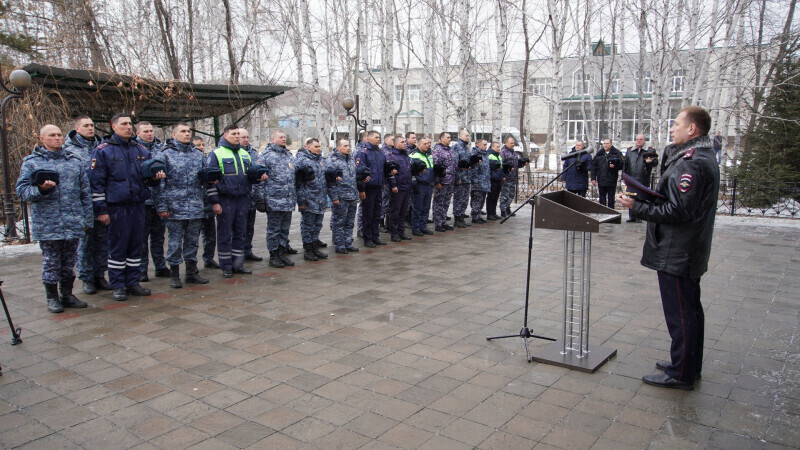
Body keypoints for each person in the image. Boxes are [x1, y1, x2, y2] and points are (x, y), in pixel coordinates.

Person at [616, 106, 719, 391]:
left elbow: (678, 210)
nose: (671, 129)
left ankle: (681, 373)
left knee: (681, 314)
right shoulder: (697, 156)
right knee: (690, 310)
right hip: (686, 248)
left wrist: (637, 206)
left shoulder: (692, 162)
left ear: (692, 129)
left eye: (676, 124)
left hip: (678, 250)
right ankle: (687, 364)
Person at [16, 125, 93, 313]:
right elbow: (22, 191)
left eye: (59, 135)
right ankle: (52, 297)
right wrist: (40, 190)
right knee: (51, 262)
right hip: (48, 222)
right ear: (42, 139)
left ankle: (67, 294)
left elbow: (85, 192)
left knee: (69, 261)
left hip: (72, 220)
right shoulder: (32, 162)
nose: (57, 138)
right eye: (52, 135)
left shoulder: (74, 161)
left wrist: (87, 220)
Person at [90, 113, 164, 301]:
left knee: (135, 245)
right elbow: (96, 183)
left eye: (130, 124)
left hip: (138, 205)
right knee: (117, 247)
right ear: (113, 127)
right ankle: (118, 285)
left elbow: (147, 180)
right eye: (123, 124)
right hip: (116, 206)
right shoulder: (103, 151)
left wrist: (155, 180)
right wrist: (101, 210)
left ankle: (132, 282)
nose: (128, 127)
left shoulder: (140, 150)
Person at [151, 123, 209, 288]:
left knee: (192, 242)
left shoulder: (198, 155)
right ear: (174, 135)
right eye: (183, 131)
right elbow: (159, 185)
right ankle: (174, 274)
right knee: (175, 243)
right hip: (175, 207)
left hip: (195, 206)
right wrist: (162, 207)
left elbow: (205, 180)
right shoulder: (165, 155)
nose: (187, 134)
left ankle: (191, 273)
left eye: (188, 131)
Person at [206, 125, 265, 277]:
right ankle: (226, 266)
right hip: (226, 199)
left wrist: (259, 177)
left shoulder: (245, 154)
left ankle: (238, 264)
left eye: (238, 134)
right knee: (225, 233)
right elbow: (210, 180)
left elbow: (250, 176)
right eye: (234, 134)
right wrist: (215, 201)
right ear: (225, 136)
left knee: (241, 232)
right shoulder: (216, 154)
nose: (237, 136)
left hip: (243, 199)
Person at [62, 115, 110, 295]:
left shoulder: (102, 147)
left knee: (102, 242)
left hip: (102, 202)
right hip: (81, 204)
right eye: (86, 126)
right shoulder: (68, 149)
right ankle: (86, 277)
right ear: (76, 128)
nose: (90, 128)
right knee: (85, 243)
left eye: (92, 125)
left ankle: (99, 275)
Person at [257, 130, 297, 268]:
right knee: (274, 230)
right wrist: (261, 199)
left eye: (285, 137)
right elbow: (260, 180)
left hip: (288, 200)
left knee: (284, 229)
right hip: (274, 200)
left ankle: (282, 253)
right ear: (273, 139)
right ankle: (274, 255)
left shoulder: (289, 155)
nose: (283, 139)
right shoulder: (266, 156)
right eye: (280, 137)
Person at [135, 122, 168, 282]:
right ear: (137, 133)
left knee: (159, 237)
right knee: (142, 239)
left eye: (151, 131)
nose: (149, 134)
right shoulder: (135, 149)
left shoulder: (160, 149)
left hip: (159, 199)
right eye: (146, 131)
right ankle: (142, 270)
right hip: (143, 201)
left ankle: (160, 266)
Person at [295, 138, 329, 261]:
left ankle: (315, 248)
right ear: (308, 147)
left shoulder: (321, 160)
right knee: (308, 226)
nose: (318, 149)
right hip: (309, 199)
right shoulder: (302, 161)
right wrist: (301, 201)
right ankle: (308, 250)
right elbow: (299, 184)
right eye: (315, 146)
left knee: (317, 225)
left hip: (320, 199)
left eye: (319, 146)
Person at [356, 130, 390, 248]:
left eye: (379, 137)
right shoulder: (363, 153)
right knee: (368, 214)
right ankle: (368, 238)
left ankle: (375, 236)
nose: (378, 139)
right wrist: (362, 189)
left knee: (377, 213)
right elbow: (360, 172)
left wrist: (384, 180)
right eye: (376, 137)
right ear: (369, 139)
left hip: (379, 187)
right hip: (369, 188)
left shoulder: (380, 152)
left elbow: (383, 169)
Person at [326, 138, 360, 254]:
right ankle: (339, 245)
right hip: (341, 197)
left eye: (349, 146)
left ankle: (348, 242)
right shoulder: (332, 161)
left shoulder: (350, 159)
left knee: (350, 222)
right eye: (345, 146)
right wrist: (334, 197)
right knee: (339, 222)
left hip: (352, 196)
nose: (348, 148)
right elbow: (330, 182)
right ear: (339, 148)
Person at [193, 136, 219, 269]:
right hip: (194, 206)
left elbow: (211, 185)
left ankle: (209, 259)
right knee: (193, 237)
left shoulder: (205, 160)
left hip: (207, 203)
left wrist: (214, 201)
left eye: (203, 145)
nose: (201, 147)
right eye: (198, 145)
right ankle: (192, 264)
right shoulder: (192, 159)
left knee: (210, 235)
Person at [239, 129, 263, 262]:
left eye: (247, 137)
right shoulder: (234, 153)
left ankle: (248, 250)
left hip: (251, 197)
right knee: (237, 228)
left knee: (249, 227)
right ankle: (238, 253)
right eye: (243, 137)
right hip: (239, 198)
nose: (246, 139)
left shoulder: (253, 153)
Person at [623, 134, 659, 222]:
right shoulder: (630, 151)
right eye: (637, 139)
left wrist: (650, 162)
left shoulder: (650, 150)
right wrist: (623, 177)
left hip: (643, 178)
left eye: (641, 139)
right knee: (631, 197)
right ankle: (632, 217)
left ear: (644, 140)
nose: (639, 141)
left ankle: (640, 217)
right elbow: (625, 165)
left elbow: (655, 163)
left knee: (641, 198)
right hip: (631, 178)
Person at [386, 134, 412, 242]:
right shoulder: (391, 156)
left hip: (406, 186)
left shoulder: (405, 155)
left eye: (404, 142)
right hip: (398, 188)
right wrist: (393, 185)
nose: (404, 143)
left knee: (403, 212)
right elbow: (391, 172)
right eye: (402, 142)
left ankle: (401, 232)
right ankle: (394, 233)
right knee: (395, 211)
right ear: (396, 144)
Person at [409, 136, 434, 236]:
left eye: (428, 143)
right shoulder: (414, 155)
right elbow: (410, 172)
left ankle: (423, 226)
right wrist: (414, 184)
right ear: (419, 145)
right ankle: (416, 228)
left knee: (426, 207)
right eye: (425, 144)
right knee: (417, 208)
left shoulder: (429, 154)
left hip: (428, 184)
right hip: (419, 185)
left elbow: (432, 169)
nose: (427, 145)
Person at [432, 132, 456, 232]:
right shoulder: (437, 150)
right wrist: (437, 182)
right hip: (442, 181)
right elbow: (436, 167)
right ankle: (438, 223)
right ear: (442, 138)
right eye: (448, 137)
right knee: (439, 203)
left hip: (450, 180)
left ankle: (443, 222)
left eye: (450, 137)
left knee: (446, 203)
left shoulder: (450, 150)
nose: (450, 139)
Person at [591, 138, 624, 208]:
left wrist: (615, 166)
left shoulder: (616, 153)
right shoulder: (599, 154)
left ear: (611, 144)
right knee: (602, 198)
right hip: (601, 179)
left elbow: (622, 164)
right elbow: (594, 167)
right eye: (604, 143)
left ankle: (611, 212)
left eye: (607, 143)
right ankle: (603, 212)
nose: (605, 145)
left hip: (612, 179)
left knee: (611, 198)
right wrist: (593, 178)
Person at [451, 129, 472, 228]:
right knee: (458, 199)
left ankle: (462, 217)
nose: (467, 137)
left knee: (465, 199)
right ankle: (457, 218)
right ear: (460, 136)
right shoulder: (456, 147)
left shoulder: (467, 148)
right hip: (460, 178)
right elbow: (455, 164)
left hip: (467, 178)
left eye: (468, 136)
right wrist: (457, 178)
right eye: (466, 135)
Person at [499, 136, 520, 218]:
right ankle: (503, 210)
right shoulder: (503, 152)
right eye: (511, 143)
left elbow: (515, 165)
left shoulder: (514, 153)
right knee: (505, 195)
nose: (513, 144)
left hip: (513, 177)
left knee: (511, 195)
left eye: (513, 143)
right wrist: (503, 175)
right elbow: (501, 165)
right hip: (506, 178)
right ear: (506, 143)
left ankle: (508, 207)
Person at [469, 139, 489, 224]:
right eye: (484, 145)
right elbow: (474, 170)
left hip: (484, 181)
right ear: (478, 145)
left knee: (481, 199)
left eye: (486, 144)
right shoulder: (476, 154)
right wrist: (475, 182)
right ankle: (475, 216)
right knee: (477, 199)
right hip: (478, 182)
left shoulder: (485, 154)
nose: (486, 146)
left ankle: (478, 215)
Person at [379, 133, 395, 234]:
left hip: (393, 181)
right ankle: (381, 223)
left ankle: (389, 223)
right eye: (392, 139)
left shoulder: (394, 151)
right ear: (386, 140)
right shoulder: (383, 152)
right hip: (385, 182)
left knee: (391, 204)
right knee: (383, 203)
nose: (394, 141)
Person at [486, 141, 505, 220]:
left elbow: (501, 167)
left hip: (498, 179)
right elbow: (489, 168)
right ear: (492, 147)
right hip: (492, 179)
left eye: (499, 146)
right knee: (491, 197)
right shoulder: (489, 155)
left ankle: (493, 212)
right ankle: (489, 213)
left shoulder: (498, 156)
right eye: (497, 146)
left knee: (495, 197)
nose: (498, 148)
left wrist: (503, 175)